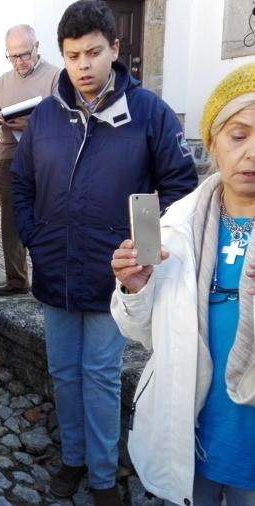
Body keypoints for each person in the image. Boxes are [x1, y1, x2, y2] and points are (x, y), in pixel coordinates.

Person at [10, 1, 198, 503]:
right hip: (55, 274)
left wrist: (147, 252)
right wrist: (36, 238)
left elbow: (181, 187)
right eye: (73, 55)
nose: (84, 65)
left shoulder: (150, 114)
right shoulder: (46, 116)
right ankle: (72, 459)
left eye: (94, 52)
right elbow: (21, 183)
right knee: (62, 373)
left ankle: (102, 474)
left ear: (115, 50)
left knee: (99, 376)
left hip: (114, 278)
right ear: (63, 57)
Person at [111, 63, 255, 506]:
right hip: (197, 431)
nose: (252, 152)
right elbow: (143, 334)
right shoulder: (178, 227)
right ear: (212, 143)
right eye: (239, 135)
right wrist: (134, 289)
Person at [0, 24, 59, 297]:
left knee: (46, 219)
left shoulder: (55, 77)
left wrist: (29, 124)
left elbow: (66, 117)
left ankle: (47, 279)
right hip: (10, 157)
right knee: (10, 221)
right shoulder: (2, 81)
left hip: (45, 158)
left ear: (37, 47)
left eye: (24, 55)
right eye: (13, 56)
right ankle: (16, 279)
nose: (19, 62)